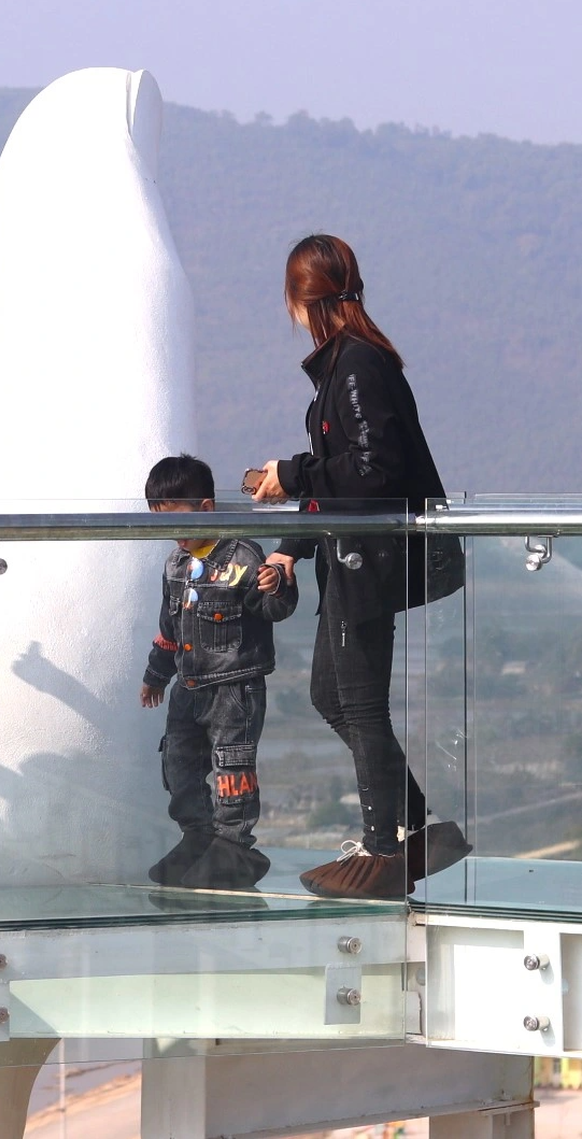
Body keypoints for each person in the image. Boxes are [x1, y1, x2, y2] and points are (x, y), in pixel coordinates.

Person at [248, 234, 470, 899]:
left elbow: (373, 472)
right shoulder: (352, 363)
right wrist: (294, 541)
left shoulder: (354, 368)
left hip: (368, 560)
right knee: (332, 695)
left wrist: (291, 474)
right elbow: (348, 476)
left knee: (360, 705)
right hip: (352, 555)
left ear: (299, 300)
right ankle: (409, 824)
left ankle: (386, 847)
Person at [139, 455, 297, 890]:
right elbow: (169, 628)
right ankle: (198, 834)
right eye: (163, 525)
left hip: (234, 687)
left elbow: (271, 610)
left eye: (179, 521)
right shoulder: (174, 566)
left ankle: (234, 846)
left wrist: (279, 585)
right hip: (188, 686)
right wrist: (156, 675)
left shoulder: (243, 555)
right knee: (178, 763)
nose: (175, 535)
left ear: (206, 508)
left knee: (232, 766)